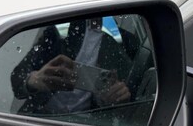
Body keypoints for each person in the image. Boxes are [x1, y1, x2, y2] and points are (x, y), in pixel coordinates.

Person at [11, 17, 140, 115]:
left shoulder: (127, 44)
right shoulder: (60, 29)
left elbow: (133, 104)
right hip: (40, 118)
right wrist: (35, 80)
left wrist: (118, 98)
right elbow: (17, 77)